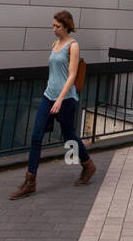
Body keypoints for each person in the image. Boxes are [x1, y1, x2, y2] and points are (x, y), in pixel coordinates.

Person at [11, 11, 95, 198]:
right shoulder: (54, 44)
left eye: (57, 26)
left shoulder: (73, 46)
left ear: (66, 26)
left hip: (65, 100)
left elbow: (72, 75)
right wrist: (52, 96)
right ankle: (30, 181)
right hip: (48, 96)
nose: (54, 29)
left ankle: (88, 165)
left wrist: (59, 99)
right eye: (53, 25)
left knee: (69, 136)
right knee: (36, 136)